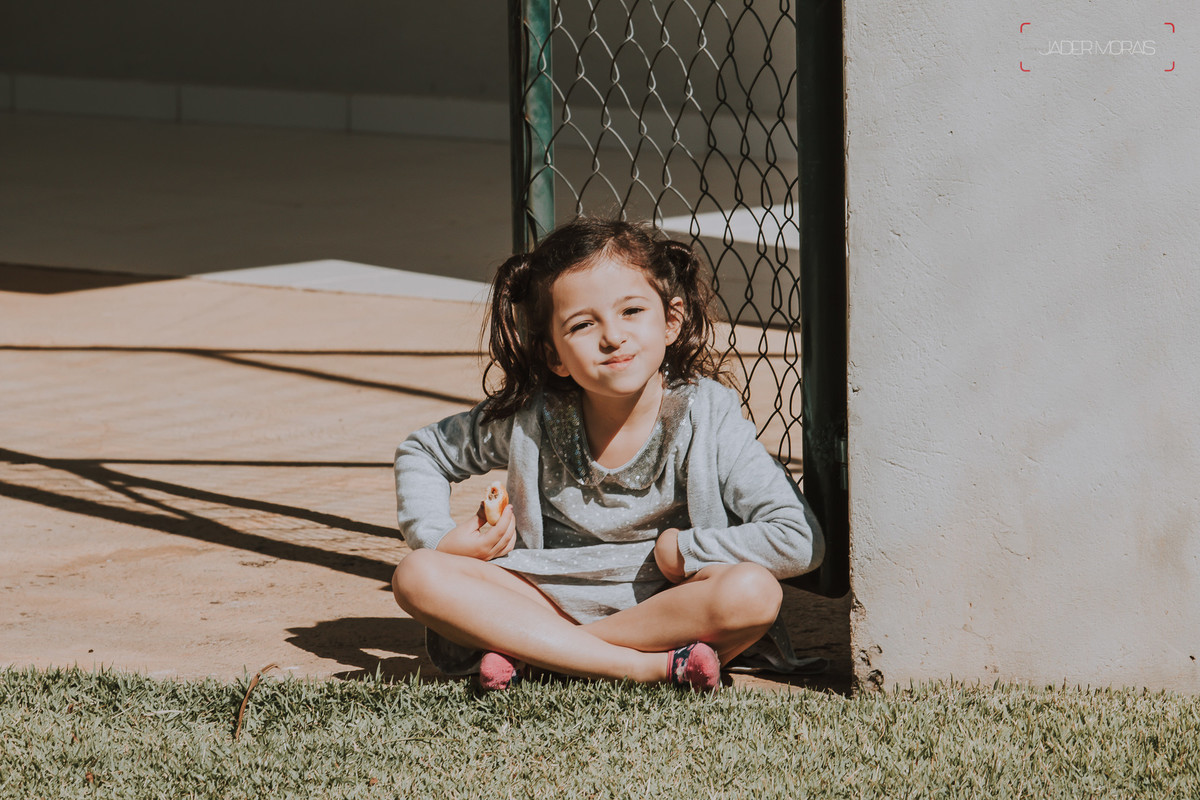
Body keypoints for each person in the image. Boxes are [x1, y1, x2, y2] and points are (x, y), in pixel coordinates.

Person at [391, 217, 823, 692]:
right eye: (581, 324)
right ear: (554, 354)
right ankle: (645, 668)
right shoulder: (531, 416)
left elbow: (798, 539)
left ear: (671, 321)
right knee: (417, 573)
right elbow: (423, 451)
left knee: (754, 592)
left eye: (632, 311)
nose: (613, 336)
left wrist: (686, 550)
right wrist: (439, 539)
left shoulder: (709, 417)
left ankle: (541, 655)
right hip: (540, 595)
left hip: (669, 604)